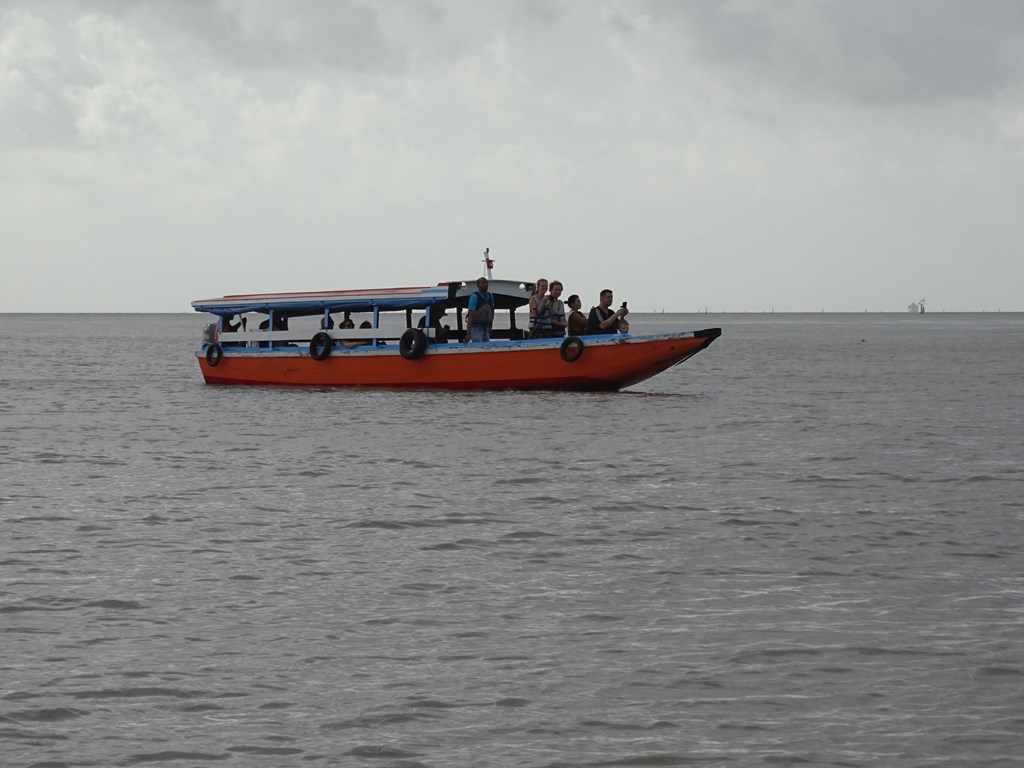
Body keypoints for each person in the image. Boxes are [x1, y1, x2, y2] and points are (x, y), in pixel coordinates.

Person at [463, 277, 495, 343]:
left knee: (487, 348)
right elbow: (470, 315)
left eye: (486, 283)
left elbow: (492, 311)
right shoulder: (474, 296)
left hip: (486, 327)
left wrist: (490, 326)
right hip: (476, 327)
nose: (485, 284)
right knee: (478, 346)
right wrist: (468, 334)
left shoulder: (490, 296)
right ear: (478, 285)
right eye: (483, 283)